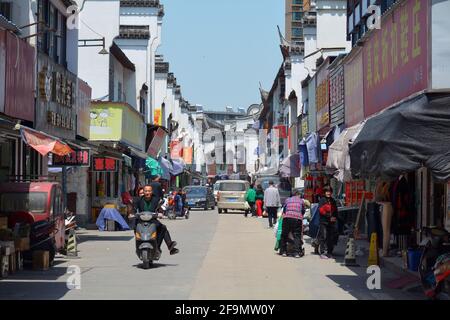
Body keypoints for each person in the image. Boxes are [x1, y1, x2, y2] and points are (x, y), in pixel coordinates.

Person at [136, 185, 179, 255]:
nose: (147, 193)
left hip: (152, 220)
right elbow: (133, 209)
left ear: (151, 192)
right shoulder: (139, 200)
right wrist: (131, 214)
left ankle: (164, 246)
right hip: (141, 221)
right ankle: (138, 245)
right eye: (146, 191)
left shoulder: (156, 199)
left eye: (149, 191)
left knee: (163, 228)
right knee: (136, 228)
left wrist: (160, 213)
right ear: (143, 192)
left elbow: (160, 208)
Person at [279, 190, 305, 258]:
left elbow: (284, 210)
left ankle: (283, 251)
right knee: (297, 235)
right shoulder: (301, 201)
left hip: (287, 218)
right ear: (298, 195)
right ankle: (296, 253)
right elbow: (303, 211)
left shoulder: (287, 200)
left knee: (284, 234)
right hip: (297, 218)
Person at [317, 185, 338, 258]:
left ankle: (329, 252)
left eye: (329, 191)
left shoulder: (333, 200)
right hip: (323, 221)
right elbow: (321, 210)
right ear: (324, 192)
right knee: (323, 236)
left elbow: (335, 210)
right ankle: (322, 252)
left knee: (331, 237)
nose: (328, 193)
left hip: (331, 222)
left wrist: (335, 217)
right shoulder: (322, 200)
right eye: (327, 191)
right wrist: (329, 216)